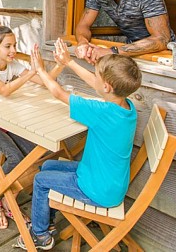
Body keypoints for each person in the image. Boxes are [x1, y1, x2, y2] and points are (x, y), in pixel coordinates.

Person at [18, 38, 141, 250]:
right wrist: (68, 62)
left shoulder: (101, 112)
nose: (94, 78)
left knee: (40, 179)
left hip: (96, 189)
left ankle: (39, 235)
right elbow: (98, 85)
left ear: (107, 86)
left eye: (97, 74)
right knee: (48, 166)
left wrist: (40, 70)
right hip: (106, 181)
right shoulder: (127, 108)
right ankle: (49, 223)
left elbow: (57, 93)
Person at [0, 20, 63, 230]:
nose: (13, 50)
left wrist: (61, 64)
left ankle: (8, 196)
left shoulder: (13, 65)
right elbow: (4, 90)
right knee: (16, 157)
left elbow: (44, 82)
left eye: (15, 45)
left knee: (35, 152)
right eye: (8, 46)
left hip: (7, 123)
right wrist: (32, 72)